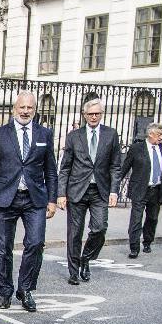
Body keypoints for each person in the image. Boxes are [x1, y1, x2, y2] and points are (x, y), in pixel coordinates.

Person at [0, 91, 58, 312]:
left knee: (35, 243)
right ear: (14, 109)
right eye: (21, 107)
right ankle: (5, 291)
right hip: (5, 198)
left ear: (34, 109)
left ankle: (25, 289)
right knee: (2, 249)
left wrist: (52, 199)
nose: (25, 111)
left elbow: (51, 170)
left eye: (29, 108)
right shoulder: (0, 134)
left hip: (35, 199)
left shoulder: (44, 134)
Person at [56, 98, 121, 285]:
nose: (93, 117)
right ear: (84, 115)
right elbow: (65, 167)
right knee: (74, 232)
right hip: (77, 190)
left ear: (102, 114)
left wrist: (114, 191)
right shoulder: (74, 136)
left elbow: (115, 166)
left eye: (97, 114)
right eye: (90, 114)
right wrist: (61, 193)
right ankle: (74, 271)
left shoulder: (111, 135)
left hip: (100, 190)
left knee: (100, 228)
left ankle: (86, 258)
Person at [118, 123, 162, 259]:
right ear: (150, 134)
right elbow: (125, 167)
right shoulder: (137, 148)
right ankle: (134, 247)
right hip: (140, 188)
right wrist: (114, 185)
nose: (161, 138)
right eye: (159, 135)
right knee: (136, 218)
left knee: (152, 218)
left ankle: (147, 241)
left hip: (157, 189)